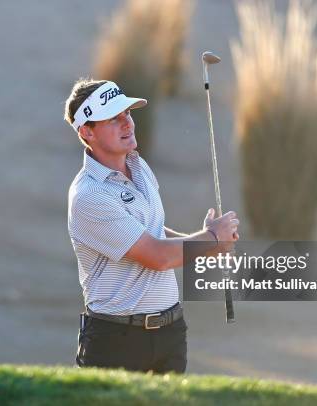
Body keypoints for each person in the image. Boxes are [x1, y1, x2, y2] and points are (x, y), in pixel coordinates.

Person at [64, 79, 239, 373]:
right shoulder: (89, 196)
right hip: (116, 340)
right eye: (113, 119)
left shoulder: (138, 166)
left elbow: (152, 231)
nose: (127, 124)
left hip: (170, 332)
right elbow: (156, 256)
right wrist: (210, 238)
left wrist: (209, 244)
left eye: (127, 114)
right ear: (86, 131)